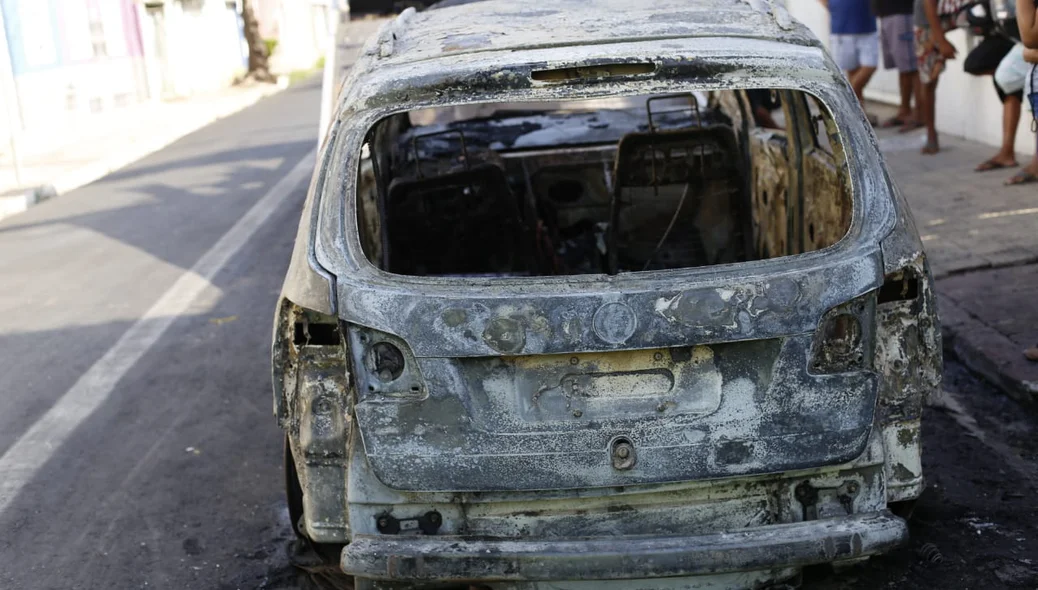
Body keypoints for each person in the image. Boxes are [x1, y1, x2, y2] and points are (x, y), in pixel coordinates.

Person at [964, 7, 1023, 172]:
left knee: (1013, 81)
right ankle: (1007, 152)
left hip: (1021, 36)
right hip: (1012, 34)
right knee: (1007, 81)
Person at [820, 0, 880, 121]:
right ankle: (860, 115)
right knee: (853, 70)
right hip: (842, 27)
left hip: (866, 24)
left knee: (870, 65)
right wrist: (836, 7)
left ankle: (844, 102)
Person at [914, 0, 961, 154]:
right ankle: (931, 134)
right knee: (928, 82)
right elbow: (929, 4)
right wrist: (941, 42)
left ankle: (931, 135)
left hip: (938, 25)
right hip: (927, 28)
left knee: (928, 83)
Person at [874, 0, 923, 129]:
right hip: (887, 14)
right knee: (904, 67)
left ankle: (919, 114)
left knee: (912, 67)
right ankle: (904, 111)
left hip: (901, 12)